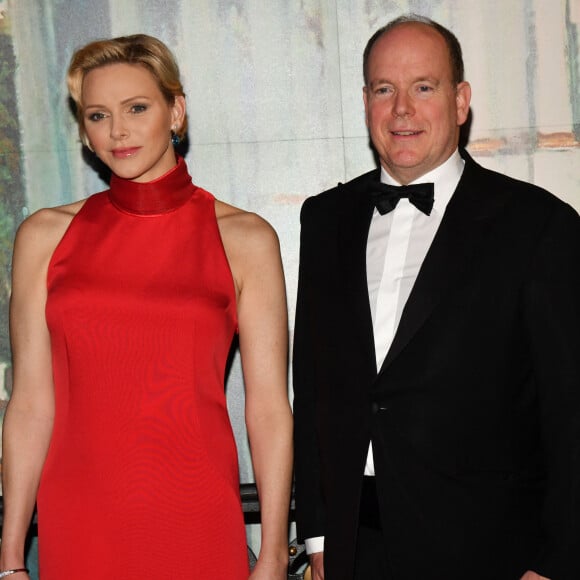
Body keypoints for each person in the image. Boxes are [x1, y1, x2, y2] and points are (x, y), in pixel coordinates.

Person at [293, 14, 580, 580]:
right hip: (356, 550)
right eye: (384, 89)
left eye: (424, 87)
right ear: (366, 101)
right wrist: (320, 535)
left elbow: (571, 411)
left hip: (493, 551)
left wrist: (556, 562)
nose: (402, 108)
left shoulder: (538, 224)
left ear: (461, 99)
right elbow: (315, 387)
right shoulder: (325, 220)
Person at [0, 34, 293, 579]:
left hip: (197, 515)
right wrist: (11, 559)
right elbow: (31, 406)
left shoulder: (245, 238)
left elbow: (269, 409)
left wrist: (273, 555)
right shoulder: (44, 236)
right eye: (97, 115)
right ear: (84, 132)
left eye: (137, 108)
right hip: (80, 520)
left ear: (175, 111)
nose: (118, 131)